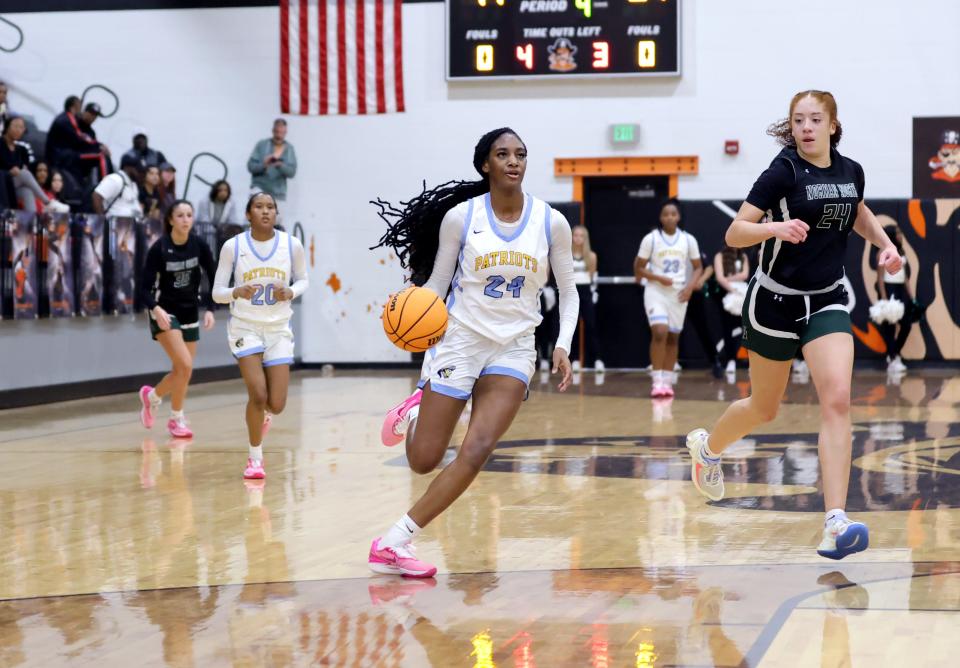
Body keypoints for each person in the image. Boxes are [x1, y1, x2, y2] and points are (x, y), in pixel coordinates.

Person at [685, 90, 902, 560]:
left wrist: (884, 244)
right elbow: (734, 232)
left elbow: (858, 212)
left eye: (814, 119)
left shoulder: (850, 171)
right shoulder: (782, 171)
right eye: (798, 120)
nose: (805, 127)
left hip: (826, 301)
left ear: (832, 125)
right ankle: (709, 449)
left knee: (839, 400)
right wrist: (773, 229)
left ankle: (835, 521)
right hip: (774, 303)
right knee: (764, 408)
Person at [368, 127, 578, 578]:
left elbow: (569, 291)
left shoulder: (550, 222)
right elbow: (436, 287)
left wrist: (561, 345)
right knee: (423, 460)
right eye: (502, 154)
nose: (513, 161)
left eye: (520, 153)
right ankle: (415, 407)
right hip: (460, 340)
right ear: (486, 164)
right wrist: (409, 318)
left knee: (479, 446)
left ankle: (393, 542)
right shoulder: (462, 218)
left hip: (515, 347)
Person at [212, 192, 309, 480]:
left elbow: (304, 279)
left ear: (276, 213)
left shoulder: (291, 245)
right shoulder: (234, 246)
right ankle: (255, 458)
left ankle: (263, 416)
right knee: (258, 393)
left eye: (270, 207)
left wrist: (291, 291)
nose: (265, 211)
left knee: (276, 404)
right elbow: (217, 292)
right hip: (246, 327)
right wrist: (235, 292)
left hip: (279, 328)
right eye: (259, 207)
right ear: (248, 214)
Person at [138, 201, 217, 438]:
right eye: (180, 215)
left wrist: (211, 308)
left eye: (189, 215)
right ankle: (175, 417)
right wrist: (155, 308)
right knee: (184, 364)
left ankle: (153, 398)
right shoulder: (159, 248)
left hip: (190, 312)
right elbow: (143, 289)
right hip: (166, 313)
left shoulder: (199, 245)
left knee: (182, 371)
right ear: (171, 220)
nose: (185, 219)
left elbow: (214, 277)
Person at [633, 199, 703, 397]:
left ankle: (667, 382)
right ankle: (656, 381)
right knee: (660, 332)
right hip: (656, 291)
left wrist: (690, 287)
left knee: (673, 337)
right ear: (661, 217)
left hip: (679, 293)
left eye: (673, 213)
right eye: (666, 214)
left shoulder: (688, 240)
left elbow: (698, 267)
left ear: (678, 217)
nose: (670, 217)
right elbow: (638, 268)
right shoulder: (651, 239)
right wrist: (657, 277)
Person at [1, 117, 70, 213]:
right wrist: (9, 170)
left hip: (12, 184)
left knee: (27, 191)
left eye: (21, 128)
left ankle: (31, 221)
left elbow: (22, 167)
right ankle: (48, 202)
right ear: (7, 127)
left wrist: (17, 170)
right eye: (15, 126)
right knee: (24, 174)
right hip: (2, 181)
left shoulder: (21, 150)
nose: (18, 130)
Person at [45, 96, 110, 184]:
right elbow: (79, 137)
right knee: (101, 155)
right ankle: (106, 187)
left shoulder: (91, 132)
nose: (93, 117)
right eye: (91, 114)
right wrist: (99, 145)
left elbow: (87, 144)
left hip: (73, 158)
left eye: (95, 116)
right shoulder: (67, 119)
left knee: (101, 155)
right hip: (61, 157)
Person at [877, 224, 913, 373]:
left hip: (900, 290)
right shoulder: (882, 252)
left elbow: (904, 277)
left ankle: (894, 353)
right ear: (891, 235)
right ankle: (892, 358)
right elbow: (879, 278)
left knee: (906, 324)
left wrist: (912, 297)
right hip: (889, 290)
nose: (900, 235)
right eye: (897, 233)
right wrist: (885, 298)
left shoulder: (901, 252)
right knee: (890, 328)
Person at [570, 224, 605, 372]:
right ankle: (575, 360)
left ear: (585, 238)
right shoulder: (565, 255)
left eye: (581, 236)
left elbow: (593, 277)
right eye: (575, 235)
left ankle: (597, 360)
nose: (578, 238)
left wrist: (593, 292)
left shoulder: (591, 256)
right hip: (571, 292)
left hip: (586, 292)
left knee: (591, 326)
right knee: (574, 327)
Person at [246, 119, 297, 219]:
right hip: (259, 189)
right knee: (254, 220)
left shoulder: (289, 149)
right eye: (277, 132)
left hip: (278, 193)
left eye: (282, 132)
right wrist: (264, 164)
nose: (279, 135)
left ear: (285, 132)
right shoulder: (262, 145)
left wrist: (280, 165)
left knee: (276, 225)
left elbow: (292, 172)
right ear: (272, 131)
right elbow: (250, 166)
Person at [713, 245, 751, 375]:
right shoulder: (720, 256)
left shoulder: (743, 256)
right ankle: (730, 360)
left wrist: (730, 278)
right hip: (727, 294)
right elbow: (719, 277)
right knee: (727, 329)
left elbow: (745, 274)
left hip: (743, 293)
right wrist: (731, 288)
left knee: (748, 329)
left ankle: (752, 360)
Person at [92, 154, 142, 218]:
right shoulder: (115, 179)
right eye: (139, 170)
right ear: (128, 167)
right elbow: (96, 197)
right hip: (115, 225)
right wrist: (103, 221)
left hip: (131, 225)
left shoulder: (133, 184)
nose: (141, 174)